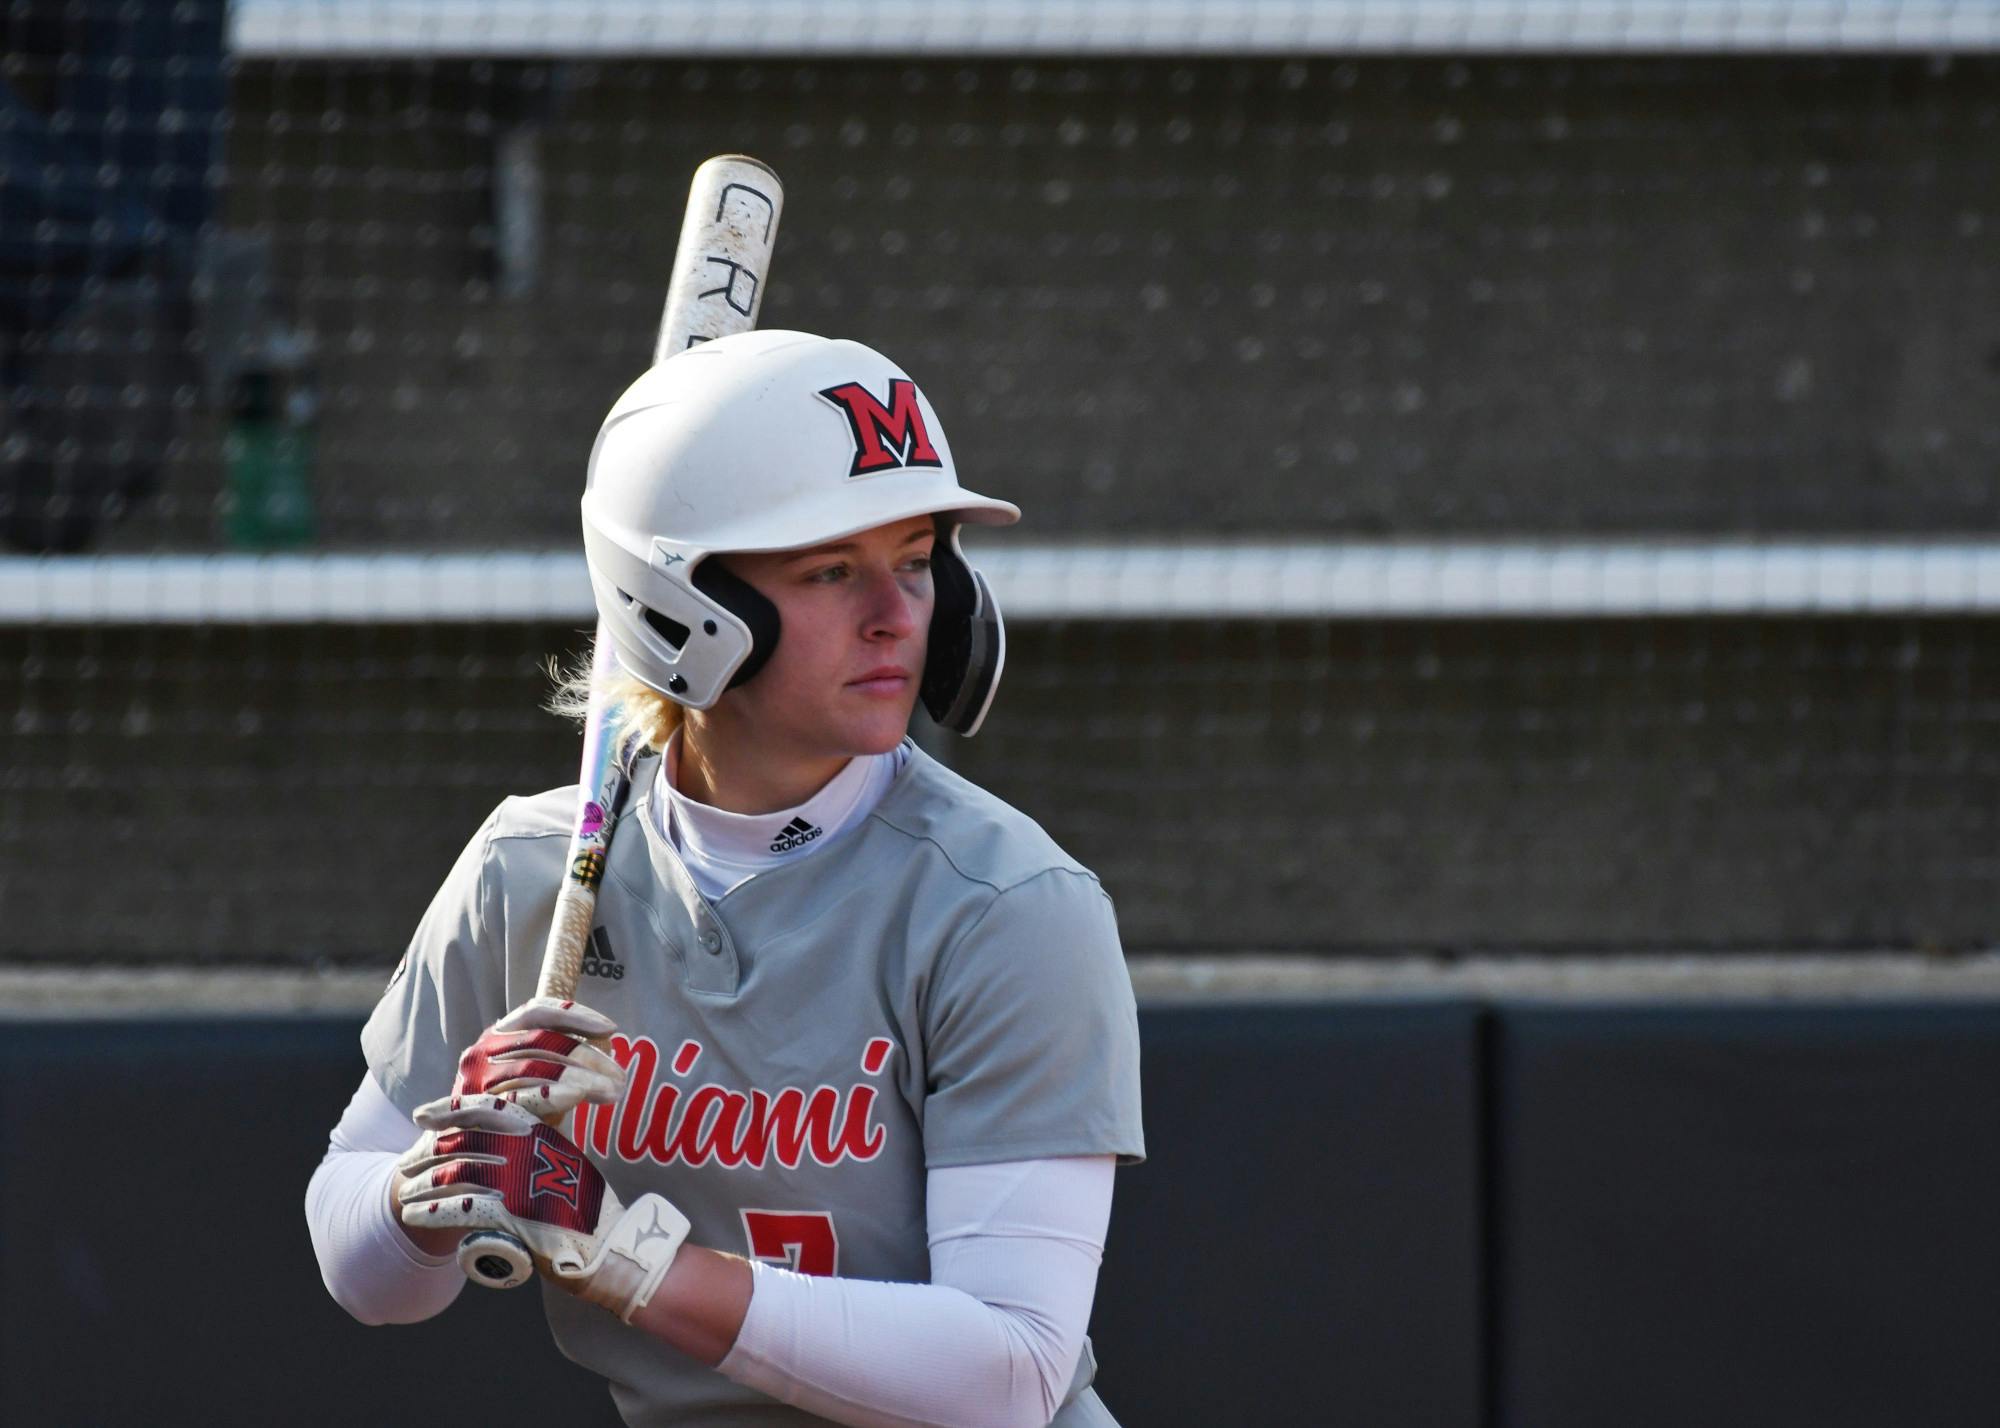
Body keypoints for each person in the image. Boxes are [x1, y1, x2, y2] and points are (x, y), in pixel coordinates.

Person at [306, 330, 1146, 1427]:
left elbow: (1007, 1370)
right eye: (829, 571)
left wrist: (630, 1260)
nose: (896, 613)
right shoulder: (530, 870)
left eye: (914, 558)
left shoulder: (1005, 906)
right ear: (684, 605)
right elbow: (368, 1279)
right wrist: (443, 1176)